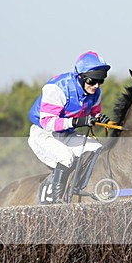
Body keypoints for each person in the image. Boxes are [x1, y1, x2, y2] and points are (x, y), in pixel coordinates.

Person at [28, 51, 111, 204]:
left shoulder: (95, 92)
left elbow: (94, 113)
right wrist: (76, 122)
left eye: (101, 81)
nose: (96, 86)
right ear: (80, 76)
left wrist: (101, 118)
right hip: (43, 134)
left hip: (65, 134)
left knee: (96, 149)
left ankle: (77, 188)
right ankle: (56, 202)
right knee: (66, 157)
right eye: (92, 81)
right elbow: (48, 123)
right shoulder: (57, 88)